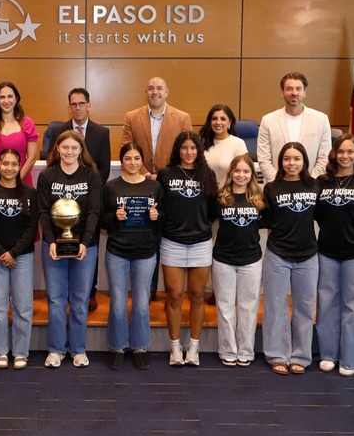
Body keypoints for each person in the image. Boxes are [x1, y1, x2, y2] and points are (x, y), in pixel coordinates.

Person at [314, 134, 354, 377]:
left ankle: (350, 359)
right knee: (327, 304)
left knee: (353, 307)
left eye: (350, 151)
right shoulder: (322, 182)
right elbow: (316, 214)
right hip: (326, 251)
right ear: (334, 153)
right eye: (341, 151)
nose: (345, 156)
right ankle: (328, 354)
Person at [121, 76, 192, 299]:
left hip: (171, 187)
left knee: (167, 237)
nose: (155, 92)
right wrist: (145, 173)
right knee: (146, 236)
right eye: (151, 88)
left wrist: (162, 176)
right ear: (145, 91)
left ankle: (172, 292)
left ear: (167, 92)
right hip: (140, 184)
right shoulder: (132, 117)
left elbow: (187, 151)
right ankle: (148, 292)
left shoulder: (182, 118)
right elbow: (125, 148)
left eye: (159, 88)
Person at [37, 130, 103, 369]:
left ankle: (78, 349)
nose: (69, 152)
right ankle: (56, 349)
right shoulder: (47, 176)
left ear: (80, 150)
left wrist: (85, 241)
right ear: (57, 148)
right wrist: (51, 241)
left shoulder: (91, 175)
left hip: (85, 247)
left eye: (74, 148)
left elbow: (94, 211)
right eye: (64, 147)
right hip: (54, 245)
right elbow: (43, 212)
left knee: (80, 300)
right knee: (56, 299)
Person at [157, 131, 218, 367]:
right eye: (184, 147)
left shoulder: (207, 174)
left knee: (197, 296)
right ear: (178, 150)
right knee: (173, 295)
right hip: (172, 242)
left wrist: (199, 225)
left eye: (193, 148)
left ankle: (193, 347)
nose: (189, 152)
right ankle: (175, 347)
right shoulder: (166, 174)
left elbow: (212, 210)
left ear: (199, 150)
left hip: (200, 243)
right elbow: (160, 207)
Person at [49, 87, 111, 312]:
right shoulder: (58, 131)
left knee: (89, 242)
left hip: (88, 200)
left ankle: (89, 291)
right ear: (69, 107)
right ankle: (65, 293)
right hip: (61, 202)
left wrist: (86, 188)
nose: (78, 107)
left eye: (81, 103)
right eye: (73, 104)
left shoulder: (101, 132)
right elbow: (52, 162)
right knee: (62, 244)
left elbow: (103, 168)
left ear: (89, 105)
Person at [101, 143, 162, 370]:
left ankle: (140, 347)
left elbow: (164, 217)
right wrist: (114, 217)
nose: (133, 163)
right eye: (128, 158)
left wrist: (157, 216)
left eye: (137, 158)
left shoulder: (154, 187)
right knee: (117, 303)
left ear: (142, 160)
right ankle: (117, 346)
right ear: (122, 161)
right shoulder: (111, 187)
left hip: (145, 252)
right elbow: (101, 220)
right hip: (117, 252)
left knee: (141, 303)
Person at [261, 141, 319, 375]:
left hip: (308, 256)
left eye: (296, 158)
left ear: (304, 161)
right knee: (275, 307)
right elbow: (265, 219)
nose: (291, 163)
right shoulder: (271, 188)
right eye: (286, 159)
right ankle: (277, 355)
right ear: (280, 162)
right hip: (278, 254)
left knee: (305, 307)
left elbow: (324, 216)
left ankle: (300, 356)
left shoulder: (315, 186)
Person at [0, 148, 38, 370]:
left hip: (23, 256)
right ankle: (1, 352)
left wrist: (14, 253)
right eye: (5, 163)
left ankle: (21, 352)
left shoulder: (30, 193)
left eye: (14, 164)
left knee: (23, 307)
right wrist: (2, 252)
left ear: (20, 166)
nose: (9, 168)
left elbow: (32, 227)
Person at [211, 153, 265, 367]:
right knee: (225, 307)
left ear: (252, 174)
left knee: (248, 308)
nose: (241, 175)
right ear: (230, 172)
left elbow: (266, 223)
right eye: (237, 170)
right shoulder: (220, 197)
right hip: (223, 259)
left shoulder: (259, 199)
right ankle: (227, 349)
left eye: (246, 171)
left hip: (251, 261)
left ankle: (245, 350)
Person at [256, 72, 332, 183]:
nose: (294, 93)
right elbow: (264, 159)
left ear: (304, 93)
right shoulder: (268, 121)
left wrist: (310, 182)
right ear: (282, 93)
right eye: (289, 89)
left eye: (298, 89)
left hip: (311, 185)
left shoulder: (321, 119)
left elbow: (325, 158)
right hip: (277, 186)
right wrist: (278, 183)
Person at [0, 81, 40, 187]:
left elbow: (32, 158)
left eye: (10, 96)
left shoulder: (27, 123)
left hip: (21, 183)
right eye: (2, 97)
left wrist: (15, 182)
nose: (6, 101)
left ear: (16, 99)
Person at [199, 104, 248, 188]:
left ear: (230, 122)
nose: (218, 122)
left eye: (223, 119)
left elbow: (243, 175)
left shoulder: (238, 143)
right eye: (214, 118)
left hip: (229, 193)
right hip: (204, 192)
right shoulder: (202, 143)